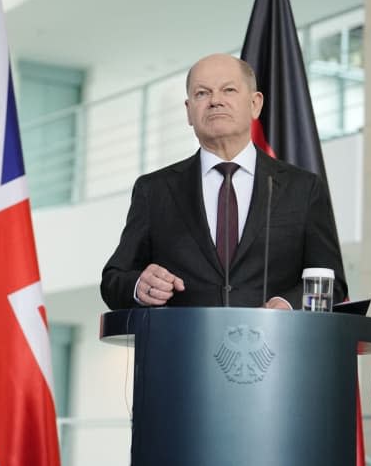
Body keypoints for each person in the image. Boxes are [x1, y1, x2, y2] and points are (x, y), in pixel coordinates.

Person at [100, 53, 347, 310]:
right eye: (202, 93)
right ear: (189, 112)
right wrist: (140, 286)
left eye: (228, 90)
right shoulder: (154, 190)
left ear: (255, 104)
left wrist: (287, 304)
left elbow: (333, 282)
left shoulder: (303, 188)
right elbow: (114, 280)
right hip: (183, 346)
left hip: (276, 346)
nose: (215, 101)